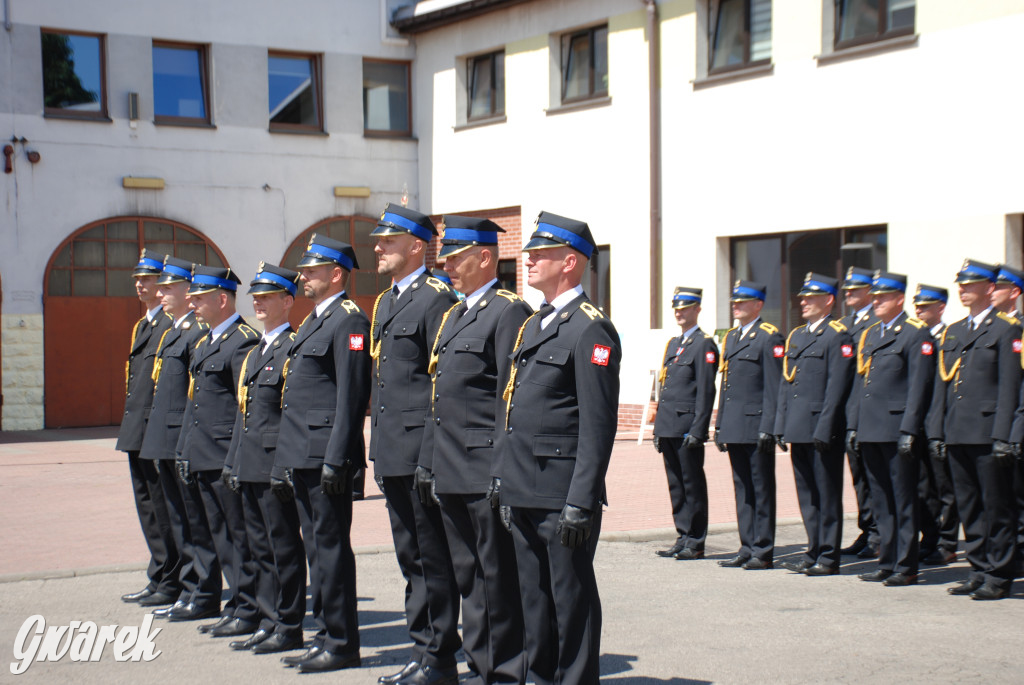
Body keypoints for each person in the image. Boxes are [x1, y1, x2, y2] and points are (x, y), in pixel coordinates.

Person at [498, 211, 621, 685]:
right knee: (534, 598)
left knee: (571, 601)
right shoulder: (534, 325)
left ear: (569, 262)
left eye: (540, 254)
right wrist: (506, 482)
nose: (528, 261)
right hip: (525, 488)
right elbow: (514, 410)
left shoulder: (590, 329)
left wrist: (580, 501)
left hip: (561, 493)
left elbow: (597, 424)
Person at [419, 215, 532, 685]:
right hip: (449, 467)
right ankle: (482, 666)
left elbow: (513, 399)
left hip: (484, 466)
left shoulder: (508, 312)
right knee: (470, 581)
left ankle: (506, 673)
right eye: (445, 257)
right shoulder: (455, 314)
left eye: (456, 257)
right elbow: (438, 396)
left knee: (498, 580)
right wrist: (428, 460)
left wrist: (501, 472)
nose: (447, 265)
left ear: (484, 257)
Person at [368, 204, 461, 685]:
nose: (378, 248)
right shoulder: (385, 302)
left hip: (421, 454)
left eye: (388, 241)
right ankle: (424, 652)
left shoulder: (435, 299)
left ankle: (439, 660)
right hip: (391, 451)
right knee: (412, 558)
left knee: (431, 558)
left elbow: (439, 386)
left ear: (416, 246)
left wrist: (429, 457)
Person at [275, 235, 370, 671]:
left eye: (311, 271)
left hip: (323, 456)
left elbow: (351, 397)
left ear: (335, 274)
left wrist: (338, 458)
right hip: (302, 453)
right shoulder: (313, 320)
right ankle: (326, 633)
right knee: (316, 549)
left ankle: (342, 643)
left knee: (330, 550)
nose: (302, 277)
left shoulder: (348, 320)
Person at [222, 263, 306, 654]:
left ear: (287, 301)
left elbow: (293, 412)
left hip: (275, 462)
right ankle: (268, 619)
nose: (258, 301)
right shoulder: (257, 349)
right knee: (259, 546)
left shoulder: (294, 346)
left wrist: (285, 465)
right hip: (251, 461)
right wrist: (233, 461)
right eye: (255, 296)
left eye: (267, 296)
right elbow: (245, 410)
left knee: (283, 547)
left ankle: (288, 625)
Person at [927, 259, 1021, 600]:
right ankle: (978, 569)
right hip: (957, 430)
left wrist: (1004, 436)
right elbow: (943, 385)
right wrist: (936, 431)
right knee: (969, 507)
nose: (963, 289)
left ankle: (999, 574)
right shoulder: (954, 331)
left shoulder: (1006, 329)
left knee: (997, 506)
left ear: (990, 288)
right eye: (961, 284)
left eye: (971, 284)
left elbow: (1010, 387)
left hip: (987, 431)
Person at [176, 266, 261, 637]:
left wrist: (235, 458)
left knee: (239, 536)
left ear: (222, 299)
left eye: (199, 297)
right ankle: (237, 603)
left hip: (225, 454)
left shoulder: (241, 341)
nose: (191, 302)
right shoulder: (206, 341)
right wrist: (184, 449)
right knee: (219, 535)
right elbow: (195, 403)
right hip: (203, 453)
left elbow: (246, 405)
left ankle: (249, 605)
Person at [139, 256, 217, 621]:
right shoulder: (173, 331)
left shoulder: (197, 333)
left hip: (182, 437)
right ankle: (187, 588)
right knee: (176, 517)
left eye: (168, 288)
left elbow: (194, 394)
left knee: (192, 520)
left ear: (188, 290)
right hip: (165, 436)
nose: (160, 292)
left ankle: (200, 591)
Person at [847, 272, 934, 587]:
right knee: (881, 499)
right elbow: (862, 383)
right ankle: (887, 560)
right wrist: (854, 425)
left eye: (883, 297)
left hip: (897, 430)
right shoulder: (870, 334)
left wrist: (910, 430)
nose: (876, 301)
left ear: (899, 298)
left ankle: (906, 565)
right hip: (871, 428)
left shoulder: (914, 334)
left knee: (903, 499)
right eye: (875, 296)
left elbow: (919, 387)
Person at [776, 273, 854, 576]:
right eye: (803, 297)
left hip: (823, 429)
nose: (803, 301)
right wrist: (782, 424)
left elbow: (837, 387)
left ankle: (829, 555)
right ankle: (813, 549)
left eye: (811, 297)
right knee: (807, 494)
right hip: (798, 426)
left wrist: (826, 427)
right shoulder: (797, 335)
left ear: (829, 300)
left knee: (827, 493)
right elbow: (787, 383)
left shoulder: (837, 336)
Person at [117, 250, 180, 608]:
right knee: (148, 507)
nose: (141, 284)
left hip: (154, 429)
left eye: (149, 278)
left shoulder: (170, 325)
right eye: (138, 279)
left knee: (164, 507)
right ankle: (159, 574)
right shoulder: (144, 325)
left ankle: (171, 578)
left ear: (164, 283)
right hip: (136, 428)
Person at [713, 280, 783, 570]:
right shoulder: (731, 338)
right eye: (734, 301)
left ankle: (763, 549)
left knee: (761, 488)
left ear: (758, 305)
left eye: (743, 301)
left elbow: (774, 386)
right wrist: (719, 424)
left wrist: (770, 426)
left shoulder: (769, 337)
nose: (736, 305)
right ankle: (746, 545)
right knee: (742, 488)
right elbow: (726, 385)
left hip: (756, 426)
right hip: (734, 424)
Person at [651, 287, 718, 561]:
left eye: (685, 307)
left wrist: (699, 430)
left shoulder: (704, 344)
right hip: (669, 426)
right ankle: (682, 535)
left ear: (697, 309)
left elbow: (706, 390)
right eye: (676, 308)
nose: (679, 312)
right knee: (676, 485)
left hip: (687, 427)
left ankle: (696, 540)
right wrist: (658, 429)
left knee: (692, 485)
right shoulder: (673, 344)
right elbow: (666, 387)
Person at [913, 285, 959, 566]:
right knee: (922, 486)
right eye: (917, 306)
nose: (919, 310)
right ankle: (929, 538)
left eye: (925, 306)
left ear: (941, 307)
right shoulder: (915, 336)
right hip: (918, 422)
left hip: (940, 421)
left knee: (946, 487)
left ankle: (948, 541)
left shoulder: (949, 337)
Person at [840, 266, 879, 559]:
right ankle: (867, 529)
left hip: (871, 411)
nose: (849, 294)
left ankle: (879, 532)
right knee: (859, 476)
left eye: (856, 289)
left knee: (874, 474)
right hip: (849, 409)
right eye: (847, 290)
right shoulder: (843, 325)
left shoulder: (878, 321)